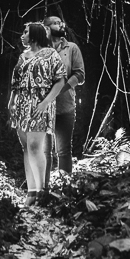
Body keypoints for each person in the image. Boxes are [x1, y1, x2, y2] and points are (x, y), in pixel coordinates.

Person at [8, 22, 66, 206]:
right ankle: (31, 192)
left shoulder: (50, 54)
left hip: (40, 103)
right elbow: (16, 83)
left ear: (34, 35)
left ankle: (42, 192)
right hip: (22, 104)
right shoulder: (22, 56)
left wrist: (46, 102)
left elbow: (60, 81)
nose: (22, 35)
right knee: (26, 147)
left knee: (35, 146)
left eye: (25, 32)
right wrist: (12, 102)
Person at [43, 16, 85, 187]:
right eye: (55, 23)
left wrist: (61, 89)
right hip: (43, 109)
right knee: (45, 152)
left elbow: (80, 75)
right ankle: (43, 189)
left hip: (65, 107)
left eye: (61, 22)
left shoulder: (72, 48)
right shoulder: (40, 49)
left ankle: (65, 187)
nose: (61, 25)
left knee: (64, 150)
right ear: (46, 28)